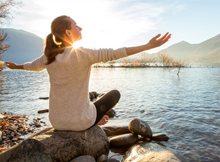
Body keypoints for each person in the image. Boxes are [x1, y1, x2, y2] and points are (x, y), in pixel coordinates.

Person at [5, 15, 171, 131]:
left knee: (89, 104)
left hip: (56, 121)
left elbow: (32, 66)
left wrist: (16, 67)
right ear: (68, 33)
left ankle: (93, 117)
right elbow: (115, 53)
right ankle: (94, 120)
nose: (80, 27)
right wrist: (147, 46)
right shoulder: (83, 54)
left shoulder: (49, 56)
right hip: (80, 123)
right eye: (76, 25)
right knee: (114, 94)